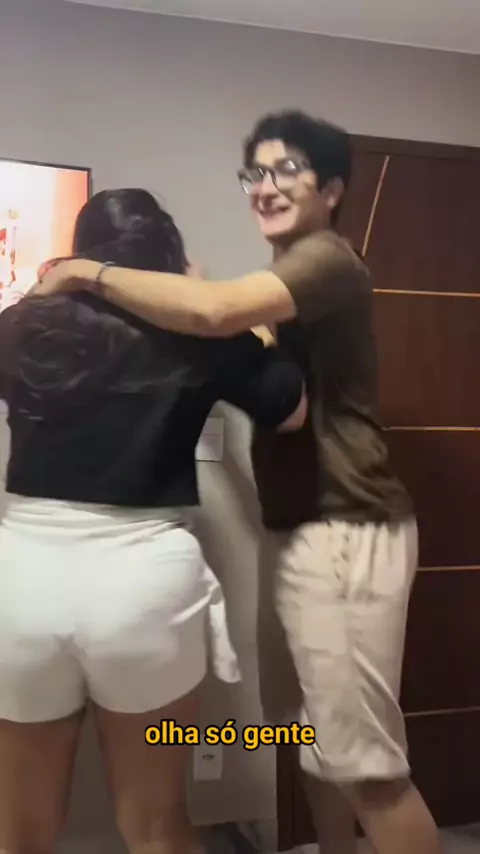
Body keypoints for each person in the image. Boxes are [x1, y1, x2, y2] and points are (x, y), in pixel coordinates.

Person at [32, 113, 442, 854]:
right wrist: (199, 302)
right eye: (256, 172)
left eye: (288, 170)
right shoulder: (282, 286)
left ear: (333, 188)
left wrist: (82, 272)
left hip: (344, 523)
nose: (266, 186)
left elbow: (218, 316)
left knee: (365, 764)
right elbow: (241, 340)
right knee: (304, 733)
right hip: (296, 527)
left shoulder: (328, 260)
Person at [0, 187, 308, 854]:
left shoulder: (25, 327)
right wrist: (220, 312)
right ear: (166, 253)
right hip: (142, 582)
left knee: (19, 833)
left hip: (21, 582)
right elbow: (292, 410)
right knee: (156, 826)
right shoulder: (198, 330)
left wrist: (37, 295)